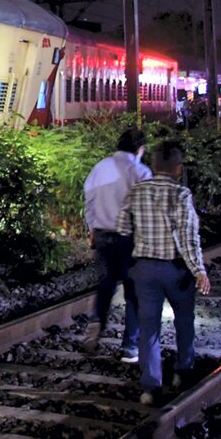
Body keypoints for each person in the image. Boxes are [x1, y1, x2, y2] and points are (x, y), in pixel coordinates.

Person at [117, 139, 210, 405]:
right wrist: (199, 270)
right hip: (176, 269)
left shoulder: (136, 191)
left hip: (144, 268)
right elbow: (189, 237)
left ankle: (150, 386)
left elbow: (123, 228)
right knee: (184, 320)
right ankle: (183, 371)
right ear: (178, 169)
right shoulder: (181, 195)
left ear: (153, 165)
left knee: (149, 327)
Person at [81, 126, 151, 363]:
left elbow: (89, 200)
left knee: (106, 283)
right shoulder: (140, 172)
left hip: (102, 234)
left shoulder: (100, 168)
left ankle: (96, 322)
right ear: (140, 149)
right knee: (134, 292)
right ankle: (130, 346)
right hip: (131, 237)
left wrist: (92, 228)